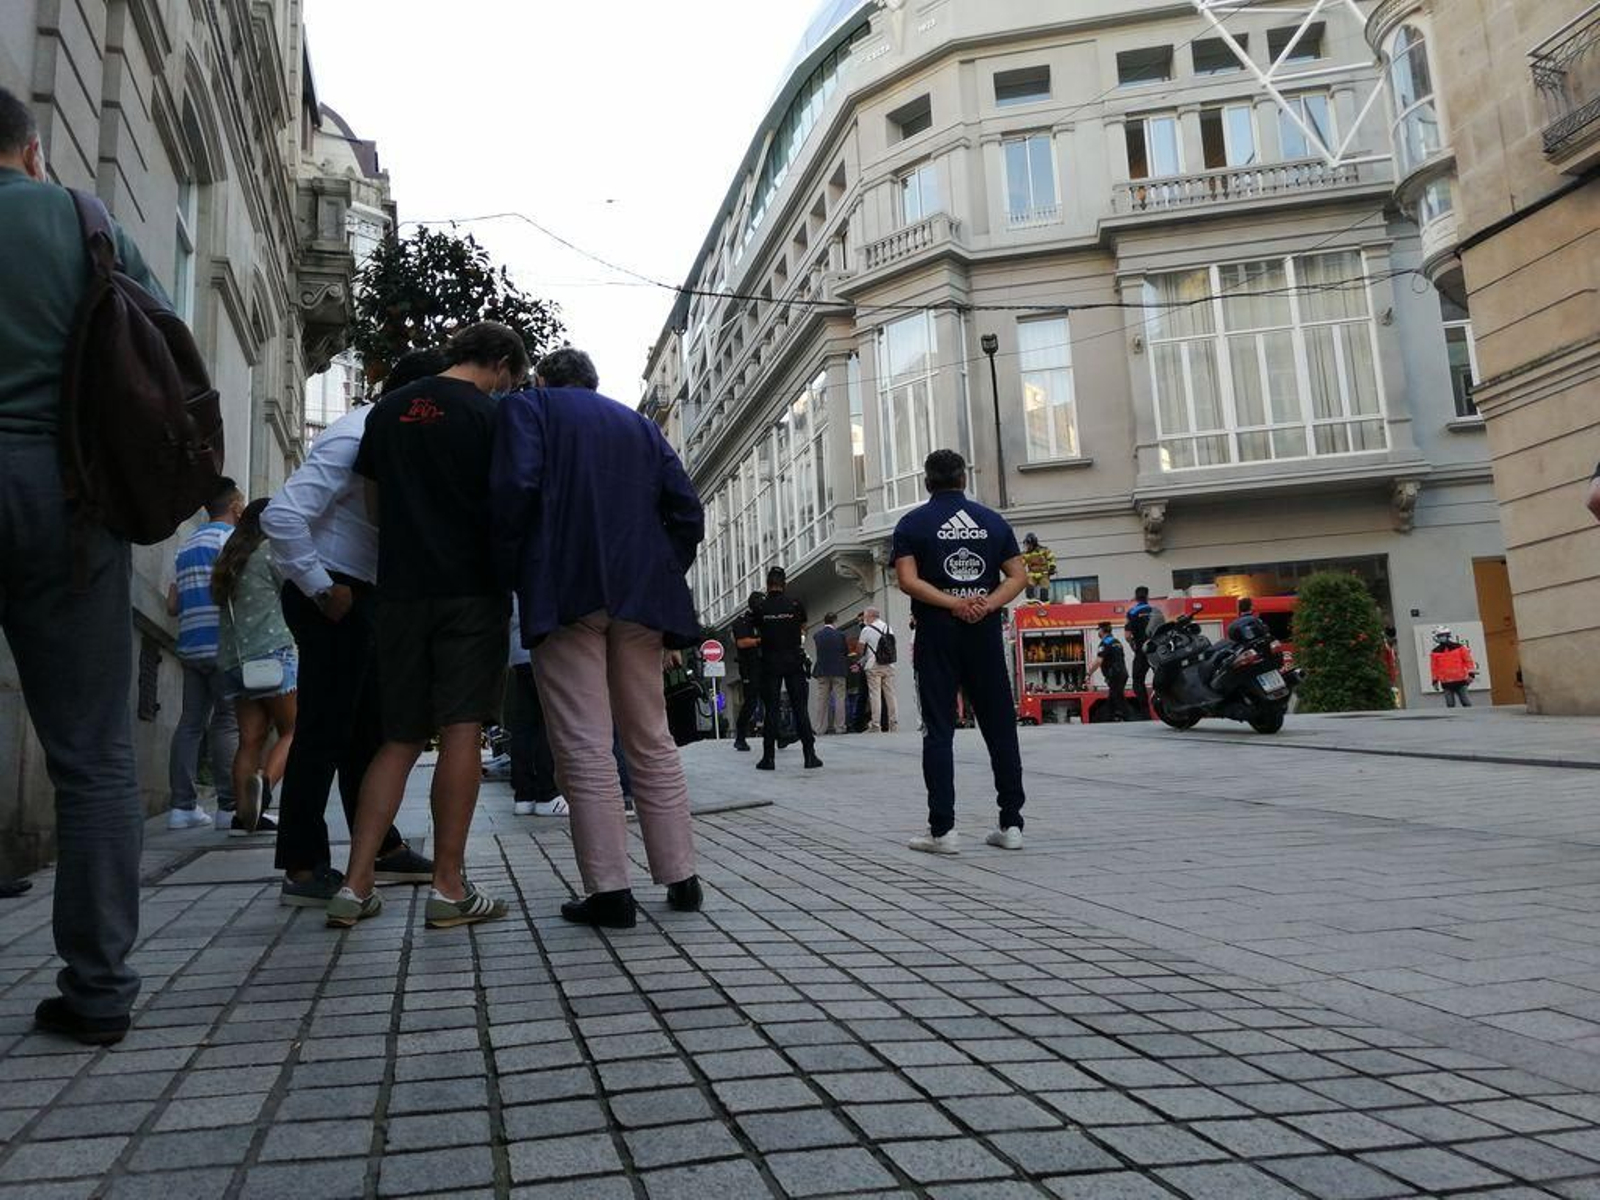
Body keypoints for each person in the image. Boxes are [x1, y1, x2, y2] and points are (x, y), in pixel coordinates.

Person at [1, 87, 166, 1045]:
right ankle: (98, 990)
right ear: (31, 151)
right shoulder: (82, 218)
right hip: (69, 501)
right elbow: (146, 338)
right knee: (96, 758)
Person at [491, 347, 704, 930]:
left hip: (565, 589)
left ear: (541, 379)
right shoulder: (639, 426)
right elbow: (687, 511)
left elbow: (514, 489)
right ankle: (681, 876)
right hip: (640, 596)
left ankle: (610, 891)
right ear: (595, 382)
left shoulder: (528, 409)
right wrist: (661, 568)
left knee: (584, 744)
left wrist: (513, 572)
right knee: (650, 736)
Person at [329, 322, 528, 931]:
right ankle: (448, 887)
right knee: (462, 731)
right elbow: (510, 504)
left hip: (400, 590)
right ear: (499, 364)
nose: (507, 389)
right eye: (510, 379)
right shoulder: (492, 418)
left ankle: (356, 884)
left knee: (400, 737)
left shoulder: (385, 413)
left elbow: (372, 505)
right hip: (471, 590)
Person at [261, 350, 442, 907]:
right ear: (416, 400)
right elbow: (282, 516)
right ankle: (302, 862)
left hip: (358, 591)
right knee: (323, 728)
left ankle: (380, 847)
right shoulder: (353, 434)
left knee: (367, 729)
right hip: (331, 591)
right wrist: (323, 587)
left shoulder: (387, 435)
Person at [893, 450, 1027, 854]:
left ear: (927, 480)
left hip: (937, 633)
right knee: (1000, 726)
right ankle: (1011, 824)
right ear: (964, 478)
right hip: (983, 632)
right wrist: (984, 603)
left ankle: (944, 831)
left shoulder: (912, 524)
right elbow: (1019, 576)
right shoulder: (992, 521)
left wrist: (952, 603)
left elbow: (907, 581)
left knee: (939, 729)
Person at [164, 478, 245, 830]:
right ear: (236, 505)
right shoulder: (232, 542)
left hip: (190, 645)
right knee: (227, 723)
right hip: (223, 645)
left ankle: (182, 807)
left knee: (190, 724)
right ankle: (228, 807)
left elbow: (172, 604)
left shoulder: (186, 546)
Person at [212, 500, 295, 835]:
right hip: (272, 654)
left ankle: (242, 815)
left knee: (250, 738)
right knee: (294, 729)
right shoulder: (271, 553)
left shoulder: (228, 560)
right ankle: (265, 784)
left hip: (234, 661)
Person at [506, 594, 568, 818]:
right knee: (548, 721)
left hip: (517, 648)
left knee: (525, 724)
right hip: (544, 645)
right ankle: (547, 793)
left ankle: (524, 794)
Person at [756, 567, 823, 771]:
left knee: (772, 710)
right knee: (800, 708)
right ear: (784, 584)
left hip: (770, 662)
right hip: (793, 660)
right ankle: (809, 756)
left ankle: (768, 758)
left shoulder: (761, 607)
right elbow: (803, 627)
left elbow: (758, 630)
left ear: (767, 585)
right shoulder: (795, 604)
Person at [857, 606, 900, 733]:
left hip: (873, 665)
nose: (864, 619)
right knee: (891, 695)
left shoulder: (866, 630)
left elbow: (860, 649)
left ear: (870, 616)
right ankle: (894, 724)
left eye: (865, 617)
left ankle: (876, 725)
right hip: (889, 665)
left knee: (874, 695)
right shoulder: (888, 627)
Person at [731, 592, 764, 751]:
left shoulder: (764, 620)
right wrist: (760, 640)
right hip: (749, 667)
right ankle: (740, 737)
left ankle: (778, 734)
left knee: (771, 700)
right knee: (751, 702)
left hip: (765, 665)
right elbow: (742, 643)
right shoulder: (742, 621)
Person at [811, 613, 849, 734]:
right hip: (838, 670)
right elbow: (845, 651)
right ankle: (840, 727)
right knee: (839, 698)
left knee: (821, 699)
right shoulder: (840, 635)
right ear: (835, 621)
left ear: (824, 621)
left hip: (822, 670)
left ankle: (819, 728)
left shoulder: (817, 635)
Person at [1085, 621, 1132, 722]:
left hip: (1115, 674)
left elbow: (1098, 661)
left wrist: (1089, 673)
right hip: (1122, 673)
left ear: (1102, 631)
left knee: (1118, 698)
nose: (1099, 633)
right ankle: (1110, 719)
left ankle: (1128, 718)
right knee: (1114, 697)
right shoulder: (1117, 642)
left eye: (1099, 631)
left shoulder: (1105, 643)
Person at [1124, 585, 1155, 718]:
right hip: (1156, 650)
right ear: (1148, 596)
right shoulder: (1155, 611)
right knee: (1163, 677)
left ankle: (1145, 712)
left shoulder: (1132, 612)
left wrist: (1133, 645)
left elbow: (1127, 636)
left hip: (1142, 652)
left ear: (1136, 597)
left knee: (1138, 680)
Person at [1430, 626, 1477, 708]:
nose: (1441, 638)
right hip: (1446, 682)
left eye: (1443, 635)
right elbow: (1434, 668)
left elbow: (1468, 661)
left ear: (1448, 636)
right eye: (1439, 636)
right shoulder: (1435, 652)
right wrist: (1435, 680)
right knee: (1450, 704)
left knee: (1465, 702)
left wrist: (1471, 674)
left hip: (1460, 680)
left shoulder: (1459, 648)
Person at [1021, 533, 1055, 602]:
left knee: (1044, 590)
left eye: (1029, 544)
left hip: (1043, 573)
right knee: (1029, 588)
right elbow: (1022, 564)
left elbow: (1051, 557)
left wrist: (1052, 567)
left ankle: (1044, 602)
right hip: (1032, 574)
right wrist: (1019, 570)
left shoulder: (1043, 550)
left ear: (1033, 543)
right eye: (1027, 544)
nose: (1027, 546)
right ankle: (1031, 602)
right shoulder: (1026, 554)